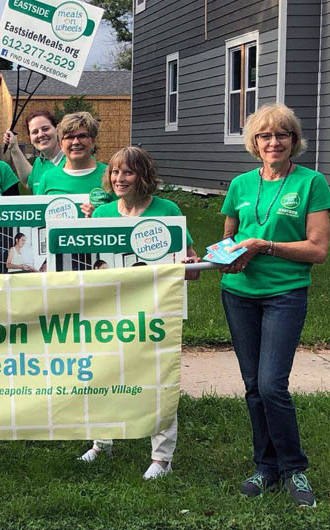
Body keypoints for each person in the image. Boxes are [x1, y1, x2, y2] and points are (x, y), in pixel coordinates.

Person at [219, 104, 328, 507]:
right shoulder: (241, 185)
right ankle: (265, 467)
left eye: (282, 135)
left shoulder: (312, 182)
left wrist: (266, 245)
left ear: (293, 141)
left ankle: (294, 469)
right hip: (238, 294)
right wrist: (224, 255)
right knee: (253, 387)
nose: (274, 142)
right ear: (255, 142)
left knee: (271, 384)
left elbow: (318, 250)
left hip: (285, 293)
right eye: (265, 136)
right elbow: (228, 237)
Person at [77, 146, 200, 478]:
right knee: (102, 376)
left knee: (158, 382)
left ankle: (162, 458)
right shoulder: (101, 216)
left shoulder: (167, 210)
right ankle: (102, 442)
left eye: (128, 172)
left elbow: (193, 269)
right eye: (115, 172)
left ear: (143, 176)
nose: (119, 178)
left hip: (155, 315)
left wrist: (188, 263)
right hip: (109, 315)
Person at [37, 112, 111, 208]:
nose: (76, 142)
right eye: (69, 137)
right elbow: (38, 217)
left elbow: (124, 213)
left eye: (82, 136)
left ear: (93, 141)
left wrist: (98, 215)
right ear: (61, 143)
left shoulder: (110, 174)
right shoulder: (48, 178)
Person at [1, 110, 65, 195]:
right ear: (30, 138)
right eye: (35, 132)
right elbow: (28, 181)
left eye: (45, 129)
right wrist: (13, 147)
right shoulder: (39, 163)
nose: (41, 134)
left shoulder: (72, 161)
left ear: (57, 130)